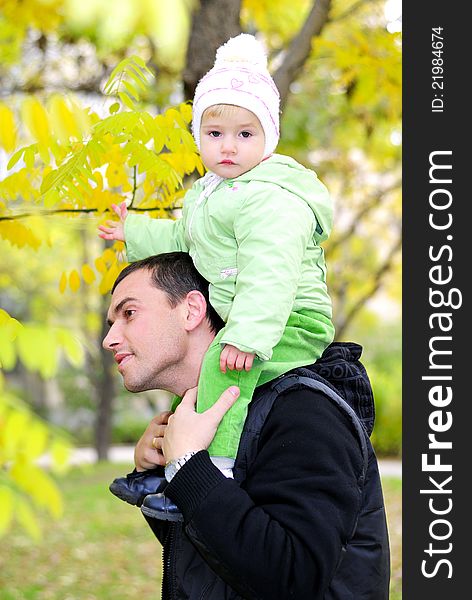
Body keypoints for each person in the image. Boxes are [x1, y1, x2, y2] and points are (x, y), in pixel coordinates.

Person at [98, 34, 334, 511]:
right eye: (214, 134)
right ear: (199, 137)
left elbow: (271, 271)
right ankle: (169, 471)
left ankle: (209, 472)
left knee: (221, 370)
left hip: (288, 317)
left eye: (245, 134)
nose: (228, 147)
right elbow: (182, 241)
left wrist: (245, 336)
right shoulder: (211, 195)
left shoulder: (269, 196)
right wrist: (133, 231)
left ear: (268, 137)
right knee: (205, 374)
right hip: (249, 317)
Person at [102, 252, 390, 600]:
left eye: (129, 314)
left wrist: (188, 467)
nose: (110, 339)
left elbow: (294, 580)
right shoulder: (200, 417)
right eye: (110, 324)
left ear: (192, 310)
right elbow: (215, 563)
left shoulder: (302, 408)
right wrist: (156, 474)